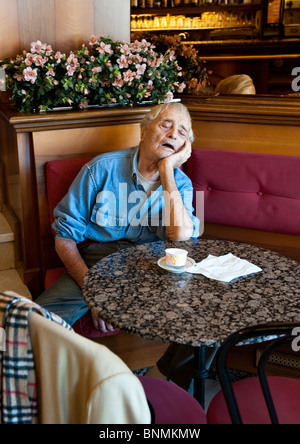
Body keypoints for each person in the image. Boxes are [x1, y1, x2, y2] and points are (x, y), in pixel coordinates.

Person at [35, 102, 200, 334]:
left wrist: (166, 171)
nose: (173, 134)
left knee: (202, 312)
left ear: (185, 147)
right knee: (35, 321)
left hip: (153, 267)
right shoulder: (101, 169)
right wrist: (92, 289)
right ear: (143, 131)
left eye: (182, 133)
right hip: (98, 263)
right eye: (166, 125)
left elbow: (182, 236)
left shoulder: (181, 184)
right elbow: (64, 238)